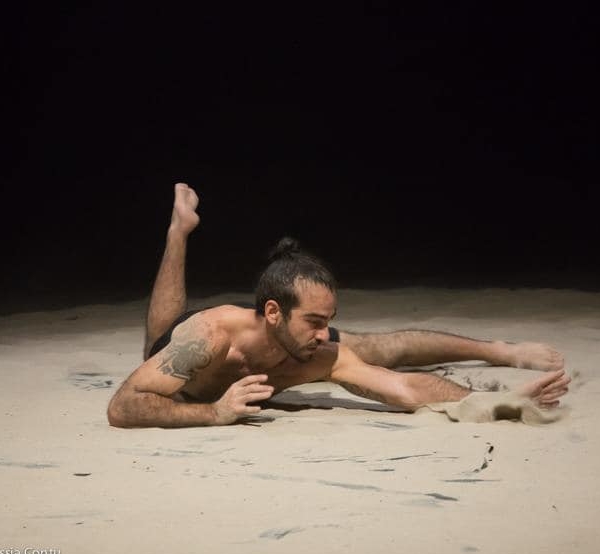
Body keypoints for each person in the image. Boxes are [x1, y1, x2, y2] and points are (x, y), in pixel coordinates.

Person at [106, 183, 570, 428]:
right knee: (158, 340)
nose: (324, 333)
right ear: (274, 313)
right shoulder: (207, 336)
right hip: (194, 348)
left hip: (265, 337)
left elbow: (404, 388)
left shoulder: (317, 351)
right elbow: (123, 407)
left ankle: (499, 349)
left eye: (328, 321)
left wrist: (496, 400)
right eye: (314, 321)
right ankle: (179, 231)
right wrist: (215, 413)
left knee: (381, 348)